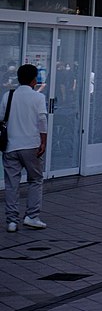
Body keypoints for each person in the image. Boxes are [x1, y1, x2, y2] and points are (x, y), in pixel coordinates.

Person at [3, 64, 47, 232]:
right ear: (34, 80)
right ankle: (32, 216)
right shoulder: (38, 98)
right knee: (35, 180)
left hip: (11, 146)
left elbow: (2, 118)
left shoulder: (9, 95)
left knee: (11, 183)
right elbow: (42, 120)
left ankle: (12, 221)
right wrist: (43, 141)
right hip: (31, 146)